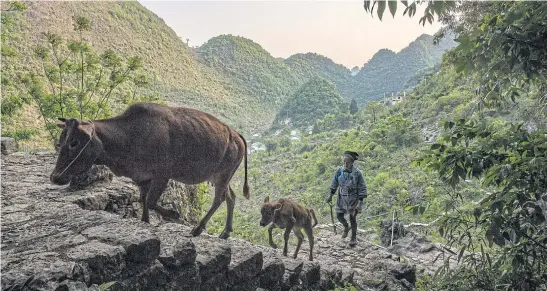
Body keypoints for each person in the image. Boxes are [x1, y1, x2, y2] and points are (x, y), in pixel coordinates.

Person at [326, 151, 367, 247]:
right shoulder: (339, 171)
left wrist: (360, 203)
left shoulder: (357, 173)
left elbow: (362, 187)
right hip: (342, 198)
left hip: (353, 199)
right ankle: (346, 226)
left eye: (348, 162)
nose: (345, 164)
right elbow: (334, 184)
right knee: (339, 216)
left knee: (352, 218)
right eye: (344, 161)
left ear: (352, 162)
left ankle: (353, 238)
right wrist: (330, 195)